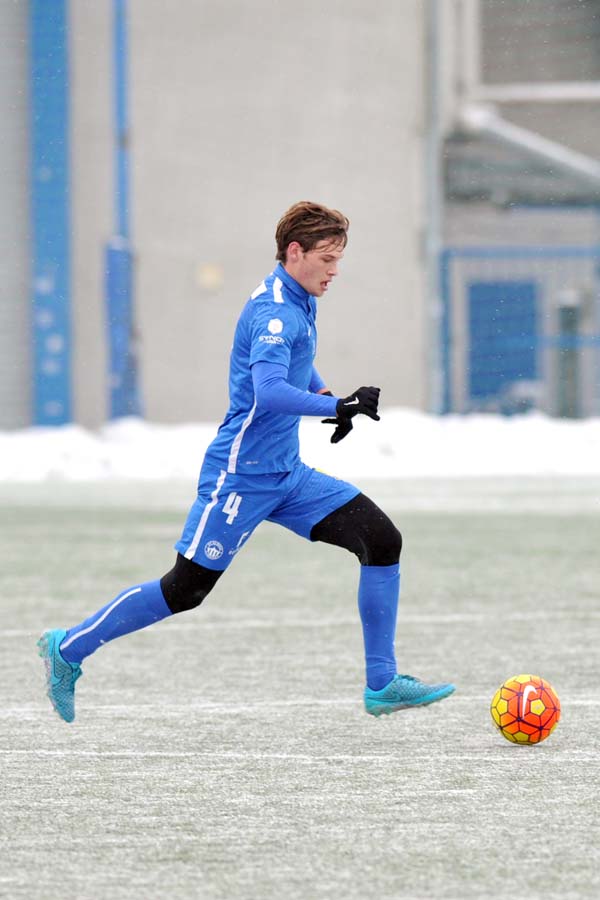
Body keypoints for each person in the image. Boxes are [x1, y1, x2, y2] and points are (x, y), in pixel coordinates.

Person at [38, 201, 455, 723]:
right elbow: (269, 390)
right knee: (184, 590)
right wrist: (337, 406)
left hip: (288, 475)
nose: (334, 271)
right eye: (327, 259)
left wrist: (325, 395)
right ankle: (67, 648)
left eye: (338, 259)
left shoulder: (297, 299)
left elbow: (296, 362)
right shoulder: (276, 312)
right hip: (241, 476)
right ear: (295, 252)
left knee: (381, 539)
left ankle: (382, 683)